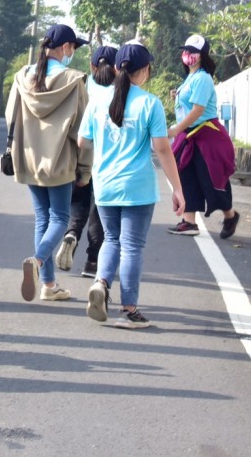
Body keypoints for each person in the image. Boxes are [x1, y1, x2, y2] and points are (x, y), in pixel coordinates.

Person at [79, 41, 185, 329]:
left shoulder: (97, 102)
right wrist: (177, 188)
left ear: (115, 68)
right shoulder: (150, 103)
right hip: (137, 187)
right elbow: (162, 149)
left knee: (111, 240)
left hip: (105, 185)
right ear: (146, 70)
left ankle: (101, 283)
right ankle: (129, 310)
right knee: (133, 247)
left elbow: (82, 141)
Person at [7, 23, 92, 302]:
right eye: (73, 47)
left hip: (29, 159)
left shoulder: (23, 76)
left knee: (42, 219)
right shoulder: (74, 80)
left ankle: (49, 285)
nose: (73, 52)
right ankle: (38, 261)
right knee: (59, 217)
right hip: (60, 161)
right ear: (66, 48)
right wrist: (85, 168)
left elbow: (11, 117)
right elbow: (82, 130)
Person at [166, 34, 239, 239]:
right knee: (185, 175)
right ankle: (189, 222)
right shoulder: (190, 77)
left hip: (206, 135)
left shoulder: (204, 78)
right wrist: (177, 95)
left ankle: (230, 215)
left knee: (211, 178)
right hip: (190, 135)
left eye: (192, 52)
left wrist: (175, 130)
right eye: (186, 50)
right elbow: (188, 103)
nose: (187, 54)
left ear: (201, 56)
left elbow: (197, 111)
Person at [55, 44, 117, 277]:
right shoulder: (119, 93)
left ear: (92, 66)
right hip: (108, 161)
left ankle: (72, 233)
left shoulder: (80, 87)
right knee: (100, 211)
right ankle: (92, 261)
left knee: (79, 203)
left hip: (80, 157)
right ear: (117, 70)